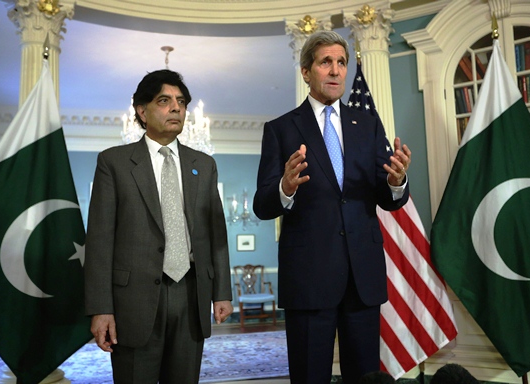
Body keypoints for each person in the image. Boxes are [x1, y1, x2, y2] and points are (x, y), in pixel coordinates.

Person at [253, 30, 411, 384]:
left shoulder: (367, 124)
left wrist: (397, 181)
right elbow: (262, 205)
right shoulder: (280, 129)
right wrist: (285, 187)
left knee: (366, 378)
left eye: (342, 62)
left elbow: (388, 200)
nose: (336, 70)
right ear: (306, 71)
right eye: (326, 62)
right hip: (308, 278)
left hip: (362, 278)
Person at [84, 69, 233, 384]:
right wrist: (101, 308)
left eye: (181, 101)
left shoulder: (204, 166)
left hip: (191, 294)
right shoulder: (114, 163)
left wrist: (222, 292)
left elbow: (216, 233)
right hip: (133, 301)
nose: (176, 108)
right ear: (141, 110)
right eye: (164, 101)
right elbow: (99, 240)